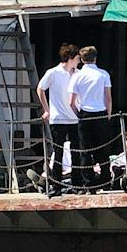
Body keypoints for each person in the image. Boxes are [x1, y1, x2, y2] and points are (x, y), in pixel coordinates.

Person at [35, 49, 81, 194]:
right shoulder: (53, 72)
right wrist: (47, 110)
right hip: (58, 118)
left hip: (75, 118)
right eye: (77, 58)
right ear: (71, 58)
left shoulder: (77, 73)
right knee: (58, 153)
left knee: (76, 153)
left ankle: (77, 184)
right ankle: (56, 186)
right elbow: (40, 89)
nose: (79, 60)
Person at [72, 46, 115, 188]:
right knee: (103, 149)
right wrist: (108, 115)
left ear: (82, 60)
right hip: (101, 113)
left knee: (85, 150)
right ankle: (105, 180)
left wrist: (78, 115)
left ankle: (88, 184)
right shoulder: (103, 74)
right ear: (95, 58)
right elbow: (108, 98)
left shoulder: (77, 76)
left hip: (84, 114)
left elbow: (71, 102)